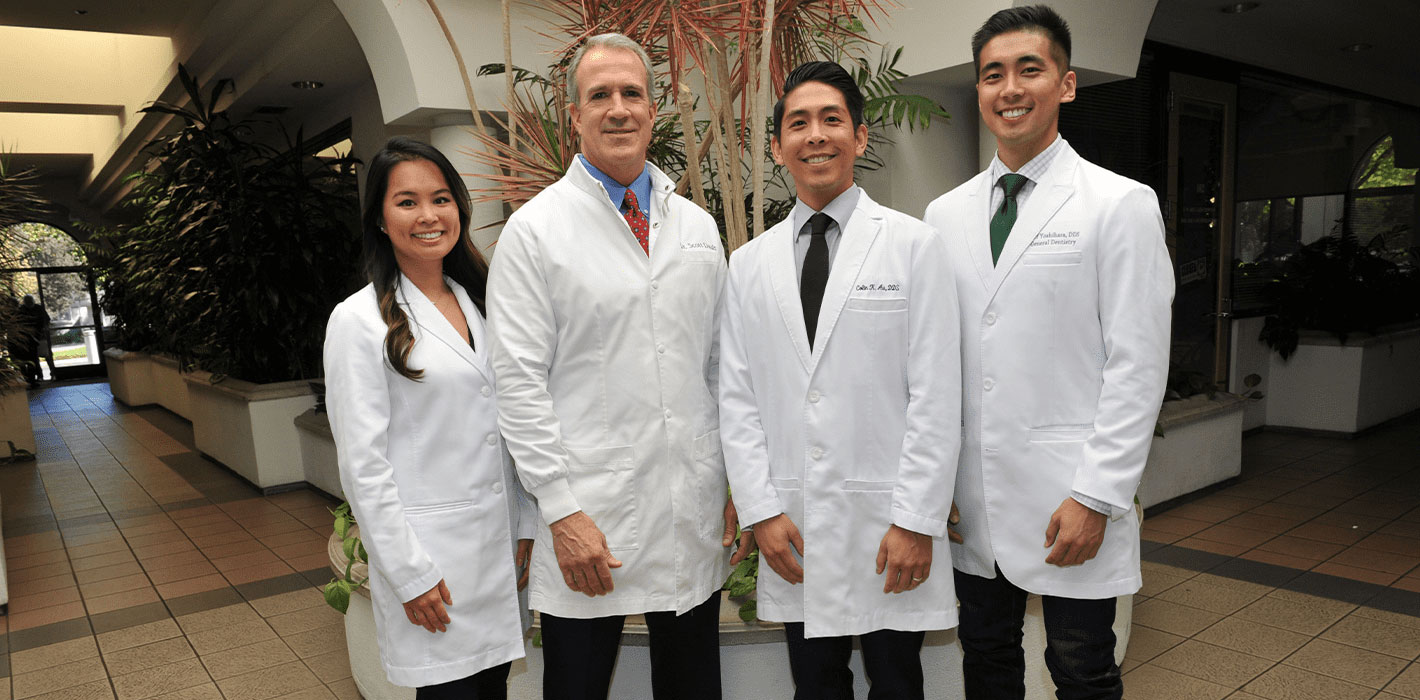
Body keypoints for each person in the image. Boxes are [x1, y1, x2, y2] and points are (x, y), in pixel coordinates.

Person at [486, 32, 749, 700]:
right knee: (576, 688)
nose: (619, 108)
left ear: (653, 111)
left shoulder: (696, 228)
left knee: (692, 689)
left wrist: (735, 481)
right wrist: (561, 512)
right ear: (575, 116)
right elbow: (517, 383)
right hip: (588, 514)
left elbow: (720, 368)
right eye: (599, 95)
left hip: (688, 506)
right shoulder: (534, 231)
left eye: (632, 93)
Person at [924, 6, 1174, 699]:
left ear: (1065, 84)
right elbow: (935, 360)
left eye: (1028, 70)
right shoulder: (944, 215)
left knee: (1082, 671)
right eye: (992, 74)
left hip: (1070, 494)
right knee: (988, 662)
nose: (1009, 88)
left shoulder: (1118, 204)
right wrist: (936, 485)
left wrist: (1097, 495)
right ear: (979, 89)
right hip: (972, 499)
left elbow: (1138, 364)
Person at [719, 61, 961, 700]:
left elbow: (937, 395)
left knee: (897, 682)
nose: (816, 135)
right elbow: (737, 400)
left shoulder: (914, 247)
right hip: (793, 523)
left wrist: (916, 520)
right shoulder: (748, 265)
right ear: (778, 147)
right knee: (816, 683)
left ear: (859, 136)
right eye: (798, 123)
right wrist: (761, 510)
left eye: (832, 120)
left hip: (888, 521)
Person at [324, 136, 536, 699]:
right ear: (380, 219)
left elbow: (511, 422)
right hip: (430, 562)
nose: (428, 215)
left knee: (491, 689)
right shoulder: (358, 321)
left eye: (440, 199)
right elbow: (363, 467)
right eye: (407, 202)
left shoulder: (484, 300)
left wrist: (525, 524)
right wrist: (408, 574)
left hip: (497, 550)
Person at [17, 295, 50, 387]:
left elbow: (46, 321)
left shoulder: (23, 310)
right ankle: (37, 376)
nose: (29, 304)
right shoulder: (27, 309)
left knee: (35, 358)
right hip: (30, 337)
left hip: (35, 336)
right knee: (34, 358)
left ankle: (36, 377)